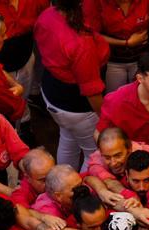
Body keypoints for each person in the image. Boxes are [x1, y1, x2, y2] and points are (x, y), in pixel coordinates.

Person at [34, 0, 110, 168]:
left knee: (68, 137)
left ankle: (63, 179)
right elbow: (91, 90)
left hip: (51, 93)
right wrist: (107, 119)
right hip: (77, 107)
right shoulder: (80, 43)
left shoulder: (47, 15)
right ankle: (79, 191)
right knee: (94, 154)